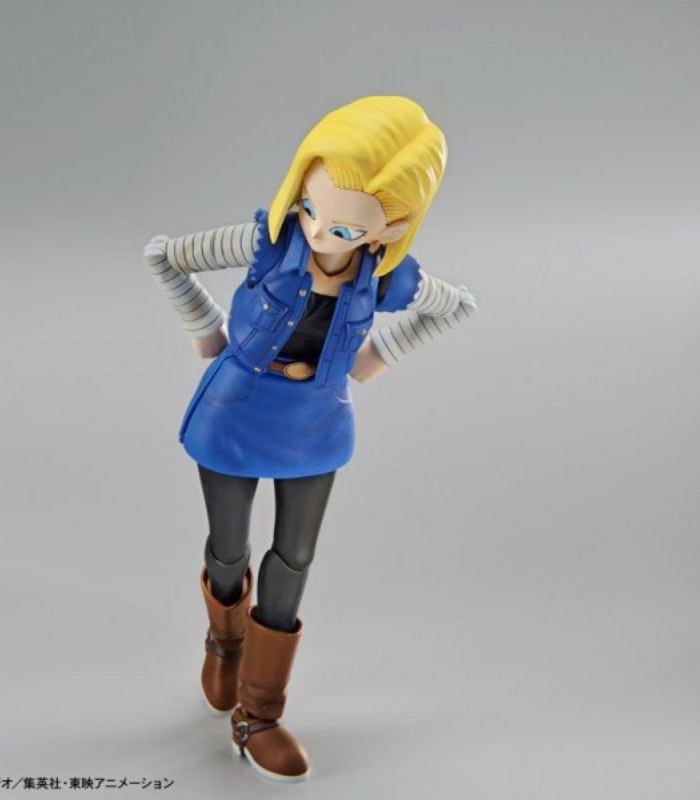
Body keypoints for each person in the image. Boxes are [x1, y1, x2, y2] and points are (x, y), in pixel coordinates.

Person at [143, 96, 477, 782]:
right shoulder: (263, 243)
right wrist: (207, 334)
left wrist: (377, 359)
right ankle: (225, 643)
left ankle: (259, 714)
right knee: (229, 549)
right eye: (310, 207)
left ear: (393, 228)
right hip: (236, 411)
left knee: (293, 558)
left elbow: (455, 306)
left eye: (346, 227)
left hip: (315, 423)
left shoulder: (387, 278)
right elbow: (165, 256)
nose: (321, 230)